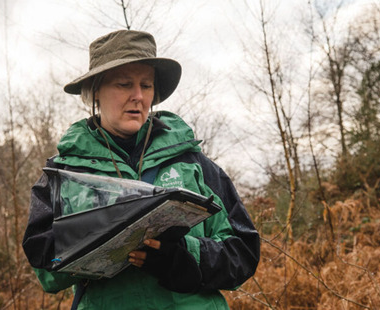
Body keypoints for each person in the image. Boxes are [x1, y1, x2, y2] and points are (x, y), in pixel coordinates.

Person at [22, 29, 260, 310]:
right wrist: (102, 238)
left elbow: (243, 253)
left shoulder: (192, 162)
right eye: (124, 84)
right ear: (95, 91)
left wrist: (185, 258)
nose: (138, 96)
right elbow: (45, 268)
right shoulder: (62, 173)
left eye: (146, 85)